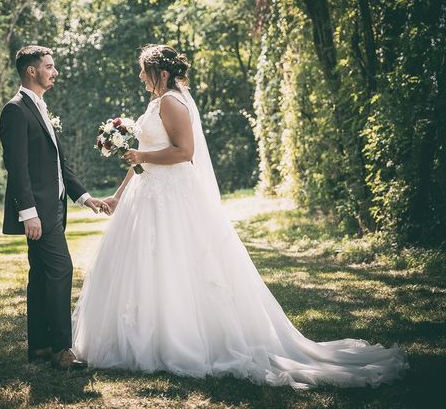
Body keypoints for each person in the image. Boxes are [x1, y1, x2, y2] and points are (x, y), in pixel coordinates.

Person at [71, 44, 408, 388]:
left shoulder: (173, 102)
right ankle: (146, 335)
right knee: (144, 265)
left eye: (145, 71)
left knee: (179, 263)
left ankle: (182, 340)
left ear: (162, 74)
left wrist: (141, 153)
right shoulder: (156, 103)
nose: (141, 76)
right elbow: (143, 160)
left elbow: (183, 152)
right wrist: (118, 193)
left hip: (173, 197)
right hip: (149, 194)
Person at [0, 45, 108, 369]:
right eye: (49, 66)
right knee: (61, 269)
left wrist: (87, 199)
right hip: (40, 213)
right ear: (31, 71)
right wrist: (28, 213)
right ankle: (62, 350)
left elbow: (60, 167)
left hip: (56, 209)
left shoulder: (42, 108)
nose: (54, 71)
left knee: (43, 275)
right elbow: (17, 168)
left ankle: (41, 348)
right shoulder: (15, 110)